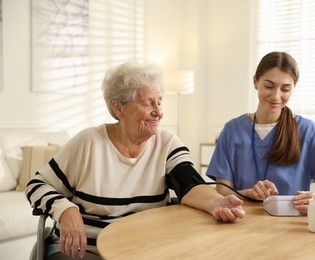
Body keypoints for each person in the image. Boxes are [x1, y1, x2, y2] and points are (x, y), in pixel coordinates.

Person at [25, 62, 245, 259]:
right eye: (149, 103)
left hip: (142, 250)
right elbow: (36, 184)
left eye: (160, 102)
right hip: (84, 251)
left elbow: (190, 184)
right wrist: (66, 210)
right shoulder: (89, 143)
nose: (158, 112)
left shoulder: (166, 143)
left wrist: (216, 202)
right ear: (118, 108)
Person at [206, 51, 315, 214]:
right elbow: (222, 192)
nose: (276, 96)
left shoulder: (308, 131)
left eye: (285, 89)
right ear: (255, 82)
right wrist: (248, 194)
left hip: (292, 229)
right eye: (269, 86)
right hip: (241, 224)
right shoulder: (232, 131)